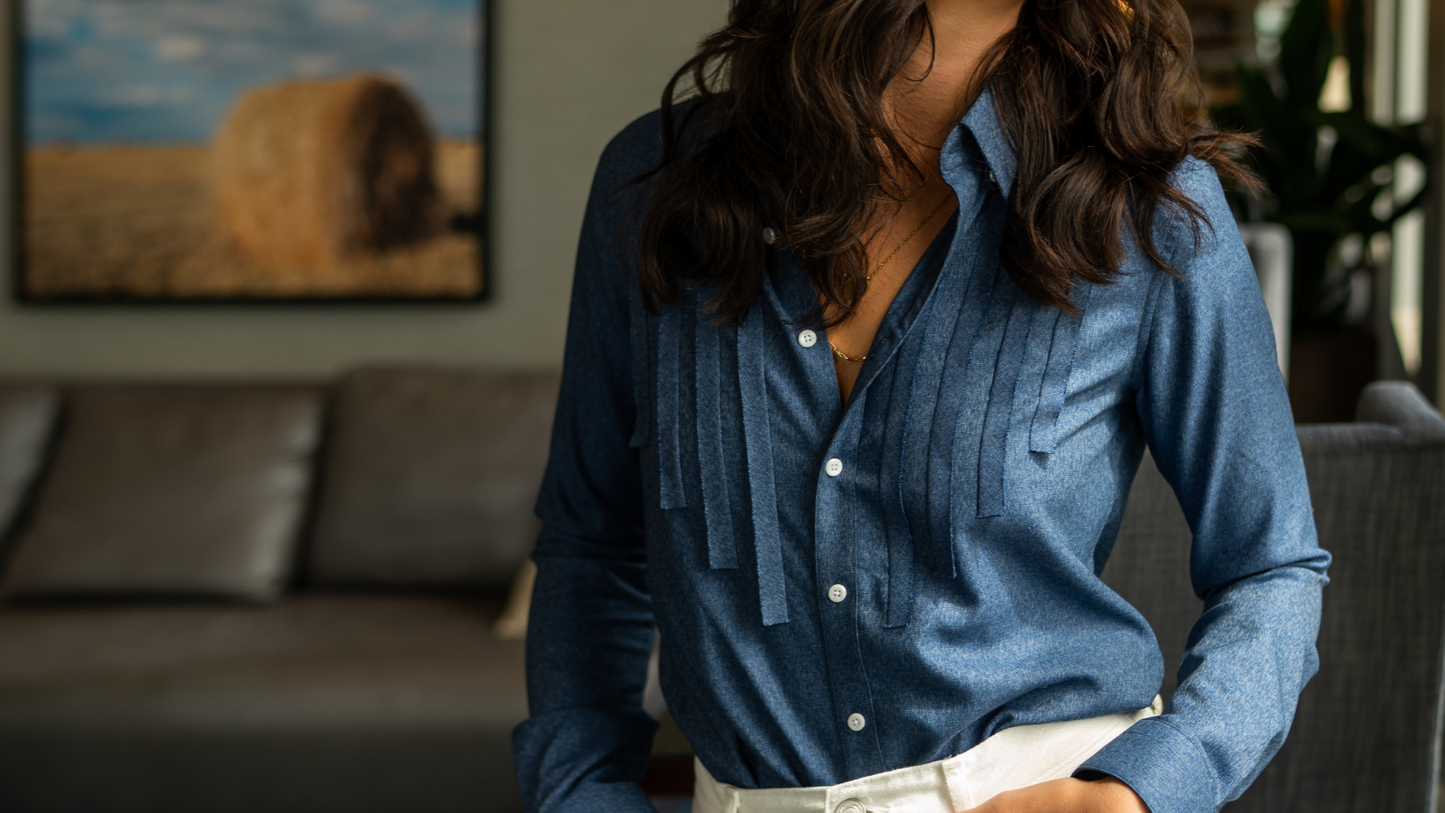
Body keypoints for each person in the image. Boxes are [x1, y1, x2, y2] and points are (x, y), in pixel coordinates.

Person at [512, 0, 1331, 811]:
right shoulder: (651, 188)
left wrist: (1143, 788)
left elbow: (1271, 565)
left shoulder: (1148, 209)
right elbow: (594, 545)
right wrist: (581, 789)